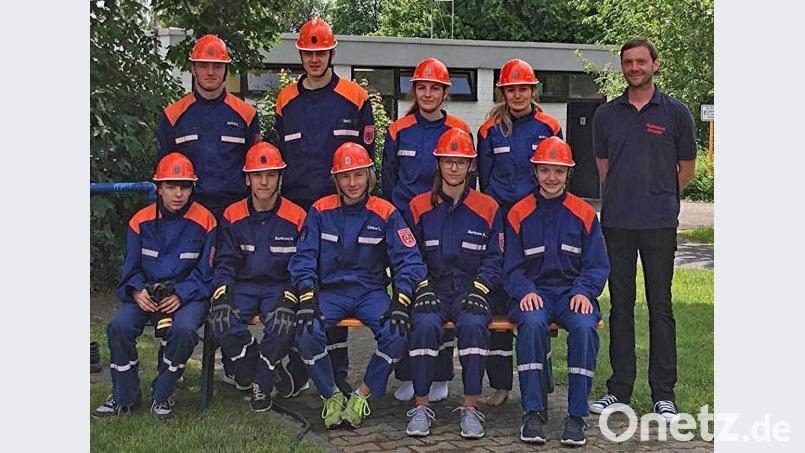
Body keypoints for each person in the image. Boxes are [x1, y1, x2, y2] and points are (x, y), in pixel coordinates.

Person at [589, 38, 696, 422]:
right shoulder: (606, 115)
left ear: (655, 63)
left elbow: (686, 168)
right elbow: (604, 166)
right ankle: (618, 389)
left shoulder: (676, 113)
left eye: (641, 61)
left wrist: (659, 195)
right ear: (622, 68)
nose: (635, 68)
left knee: (661, 308)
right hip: (616, 222)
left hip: (659, 224)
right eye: (628, 62)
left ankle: (663, 394)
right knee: (620, 308)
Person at [288, 142, 427, 429]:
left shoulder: (385, 212)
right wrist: (306, 295)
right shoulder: (319, 210)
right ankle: (332, 395)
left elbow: (409, 261)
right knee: (305, 330)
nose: (352, 183)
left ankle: (362, 394)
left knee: (397, 332)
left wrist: (401, 299)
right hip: (330, 292)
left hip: (370, 293)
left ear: (369, 176)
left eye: (359, 175)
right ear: (335, 179)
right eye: (345, 176)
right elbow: (303, 257)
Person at [276, 18, 376, 393]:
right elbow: (281, 159)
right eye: (308, 52)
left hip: (341, 212)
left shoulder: (355, 98)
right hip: (299, 211)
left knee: (334, 289)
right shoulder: (285, 99)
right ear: (300, 54)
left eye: (321, 52)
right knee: (303, 289)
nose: (315, 59)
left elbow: (366, 161)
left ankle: (337, 377)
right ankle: (301, 368)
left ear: (332, 53)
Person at [92, 152, 217, 420]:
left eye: (184, 186)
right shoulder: (140, 220)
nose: (178, 194)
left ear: (192, 188)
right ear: (158, 188)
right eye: (171, 186)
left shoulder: (206, 220)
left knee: (184, 330)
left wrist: (182, 295)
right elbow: (130, 269)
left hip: (188, 295)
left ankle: (163, 395)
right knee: (119, 327)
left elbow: (207, 273)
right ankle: (123, 396)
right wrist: (137, 291)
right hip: (145, 294)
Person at [504, 137, 609, 445]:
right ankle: (533, 413)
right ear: (534, 171)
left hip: (570, 294)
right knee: (533, 324)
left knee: (585, 327)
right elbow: (509, 266)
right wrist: (523, 291)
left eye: (559, 171)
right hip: (532, 293)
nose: (552, 177)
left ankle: (576, 417)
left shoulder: (585, 213)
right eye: (545, 170)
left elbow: (596, 264)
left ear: (568, 173)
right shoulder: (518, 213)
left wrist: (584, 292)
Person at [382, 57, 472, 403]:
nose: (428, 93)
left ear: (445, 92)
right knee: (407, 297)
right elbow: (389, 181)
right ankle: (406, 373)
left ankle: (441, 374)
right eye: (422, 87)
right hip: (406, 229)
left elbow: (467, 182)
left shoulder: (459, 131)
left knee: (444, 293)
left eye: (435, 87)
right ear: (414, 90)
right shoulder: (397, 130)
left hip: (445, 225)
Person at [404, 128, 503, 439]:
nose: (454, 167)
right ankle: (421, 407)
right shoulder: (418, 206)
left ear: (471, 165)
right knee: (422, 326)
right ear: (438, 164)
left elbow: (496, 257)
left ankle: (471, 409)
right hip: (433, 288)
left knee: (474, 326)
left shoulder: (489, 207)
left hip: (470, 289)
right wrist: (421, 287)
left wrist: (481, 288)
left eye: (461, 162)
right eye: (448, 161)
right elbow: (408, 255)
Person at [476, 58, 564, 406]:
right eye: (510, 89)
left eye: (523, 88)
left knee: (536, 295)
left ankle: (541, 375)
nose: (516, 94)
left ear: (532, 89)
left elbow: (555, 173)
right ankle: (499, 385)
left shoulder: (550, 126)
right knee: (498, 300)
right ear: (502, 91)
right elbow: (483, 177)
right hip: (500, 223)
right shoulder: (489, 130)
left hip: (537, 222)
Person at [207, 142, 307, 412]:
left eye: (271, 175)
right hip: (244, 287)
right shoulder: (232, 213)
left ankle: (261, 380)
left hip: (279, 287)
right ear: (247, 178)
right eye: (258, 175)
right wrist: (223, 293)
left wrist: (290, 297)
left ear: (280, 178)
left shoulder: (297, 216)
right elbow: (225, 262)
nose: (264, 182)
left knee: (284, 324)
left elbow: (301, 265)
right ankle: (258, 362)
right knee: (220, 321)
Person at [156, 34, 260, 220]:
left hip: (235, 213)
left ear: (226, 69)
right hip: (188, 213)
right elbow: (164, 173)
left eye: (217, 66)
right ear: (193, 69)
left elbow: (256, 171)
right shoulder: (172, 116)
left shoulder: (247, 114)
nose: (210, 72)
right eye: (203, 65)